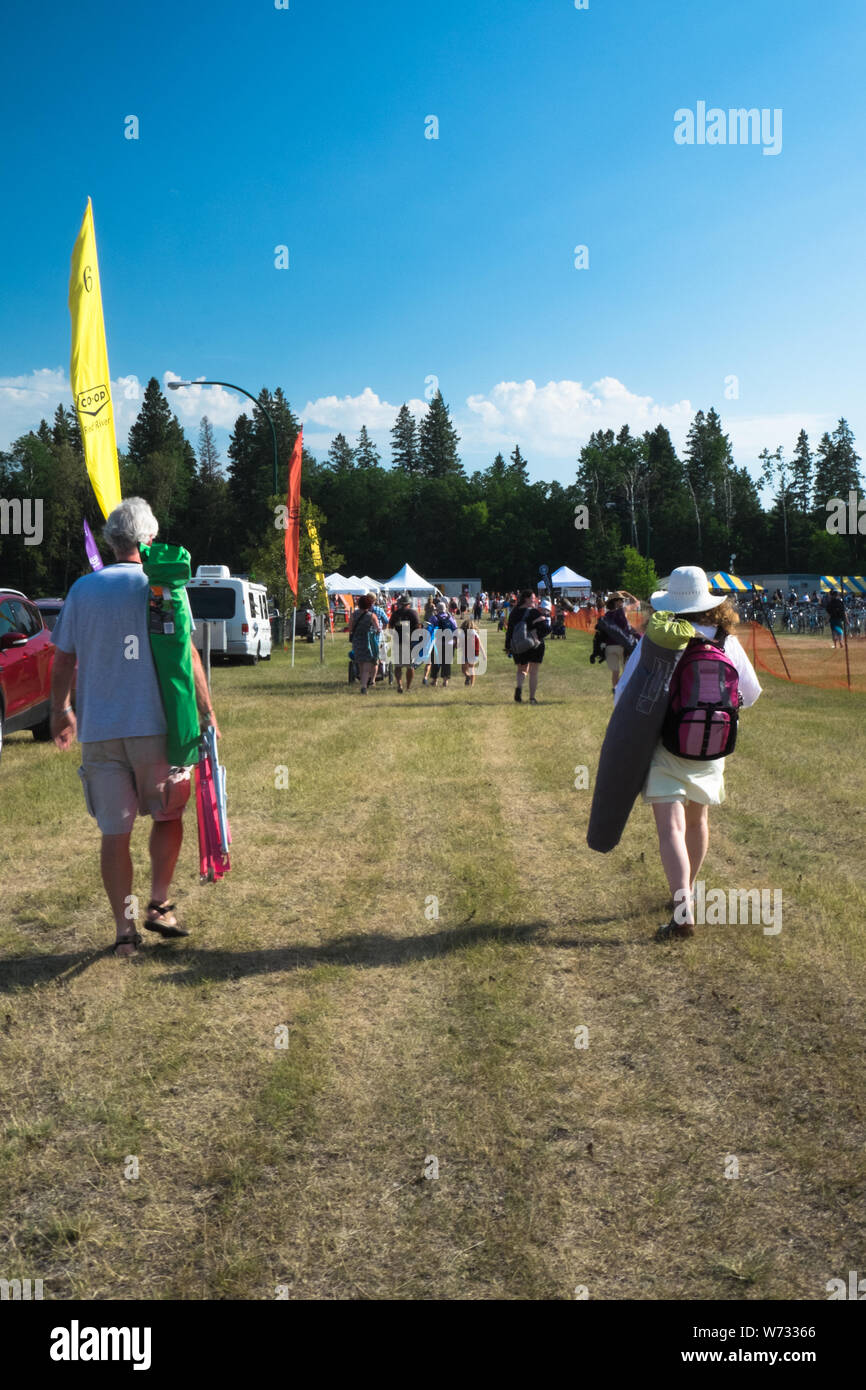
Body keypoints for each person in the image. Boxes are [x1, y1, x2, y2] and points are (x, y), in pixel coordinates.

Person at [49, 498, 219, 958]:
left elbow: (62, 657)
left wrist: (60, 709)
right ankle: (159, 903)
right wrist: (206, 712)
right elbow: (186, 654)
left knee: (114, 833)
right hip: (157, 728)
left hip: (100, 730)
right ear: (148, 539)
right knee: (168, 814)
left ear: (110, 541)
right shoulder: (164, 586)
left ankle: (124, 933)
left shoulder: (82, 590)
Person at [613, 566, 762, 942]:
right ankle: (687, 895)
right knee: (697, 824)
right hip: (712, 745)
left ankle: (683, 911)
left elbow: (624, 694)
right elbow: (753, 691)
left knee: (671, 829)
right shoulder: (725, 638)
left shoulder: (658, 639)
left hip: (667, 744)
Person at [505, 589, 550, 703]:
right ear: (527, 599)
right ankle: (532, 698)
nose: (535, 600)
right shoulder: (534, 612)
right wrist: (540, 622)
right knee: (533, 672)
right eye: (533, 598)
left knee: (521, 669)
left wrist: (508, 646)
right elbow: (546, 629)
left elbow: (509, 630)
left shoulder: (514, 612)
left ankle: (519, 687)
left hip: (518, 644)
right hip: (534, 645)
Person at [388, 592, 420, 692]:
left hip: (397, 641)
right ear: (408, 603)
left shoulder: (395, 613)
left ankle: (399, 684)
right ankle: (408, 687)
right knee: (410, 666)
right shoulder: (413, 613)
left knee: (398, 666)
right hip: (409, 642)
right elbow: (417, 627)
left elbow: (390, 627)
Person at [348, 594, 381, 692]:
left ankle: (363, 683)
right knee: (367, 665)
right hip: (368, 641)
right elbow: (377, 629)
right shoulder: (372, 616)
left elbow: (350, 629)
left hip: (357, 641)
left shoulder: (354, 614)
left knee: (361, 664)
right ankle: (363, 686)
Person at [428, 600, 457, 688]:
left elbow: (429, 630)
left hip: (437, 643)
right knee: (446, 662)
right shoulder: (451, 618)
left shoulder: (434, 618)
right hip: (449, 643)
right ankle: (445, 681)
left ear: (437, 609)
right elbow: (455, 629)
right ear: (445, 609)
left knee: (435, 662)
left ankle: (434, 680)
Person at [460, 616, 481, 686]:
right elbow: (479, 644)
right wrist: (483, 654)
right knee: (472, 669)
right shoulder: (476, 633)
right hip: (474, 654)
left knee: (464, 670)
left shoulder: (463, 633)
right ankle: (472, 684)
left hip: (466, 653)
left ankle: (467, 676)